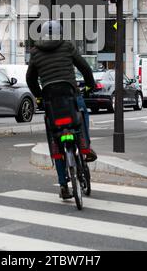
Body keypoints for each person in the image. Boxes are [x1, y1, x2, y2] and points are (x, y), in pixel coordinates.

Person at [26, 20, 97, 200]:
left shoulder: (35, 53)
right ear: (61, 33)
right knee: (82, 114)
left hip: (51, 102)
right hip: (71, 96)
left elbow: (30, 80)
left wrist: (40, 96)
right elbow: (85, 68)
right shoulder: (67, 46)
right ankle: (85, 146)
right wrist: (90, 85)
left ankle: (64, 185)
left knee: (54, 139)